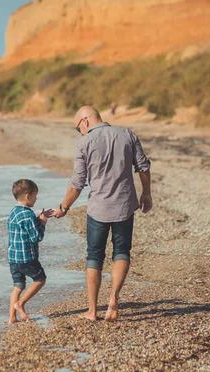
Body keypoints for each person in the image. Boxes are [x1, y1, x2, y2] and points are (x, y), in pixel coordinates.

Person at [52, 105, 152, 322]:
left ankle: (92, 311)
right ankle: (114, 299)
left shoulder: (84, 143)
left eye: (77, 127)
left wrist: (63, 208)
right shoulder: (127, 134)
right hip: (124, 205)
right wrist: (147, 194)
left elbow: (77, 184)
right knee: (122, 252)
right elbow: (143, 167)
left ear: (85, 121)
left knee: (94, 256)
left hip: (98, 209)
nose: (79, 132)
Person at [7, 179, 53, 324]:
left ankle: (12, 318)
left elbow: (24, 230)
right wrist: (43, 222)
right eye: (35, 196)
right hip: (26, 258)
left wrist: (38, 219)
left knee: (18, 286)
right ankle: (20, 303)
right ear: (28, 196)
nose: (36, 199)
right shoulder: (28, 215)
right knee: (40, 279)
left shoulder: (14, 211)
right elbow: (36, 237)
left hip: (13, 258)